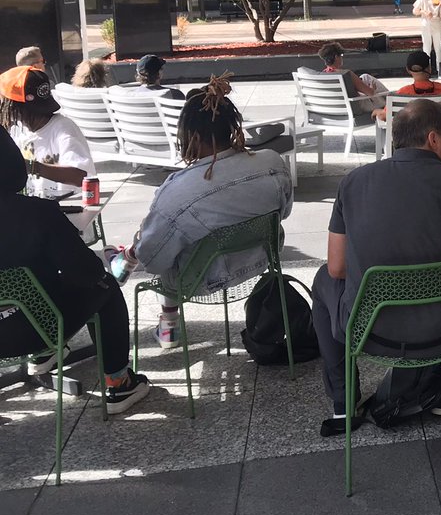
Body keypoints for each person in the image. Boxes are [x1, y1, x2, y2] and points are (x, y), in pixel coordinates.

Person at [311, 99, 441, 434]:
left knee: (322, 280)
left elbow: (338, 268)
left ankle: (345, 402)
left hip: (368, 330)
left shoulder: (354, 182)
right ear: (432, 139)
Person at [117, 76, 293, 349]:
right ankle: (126, 257)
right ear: (232, 128)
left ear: (193, 136)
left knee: (162, 245)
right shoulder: (272, 162)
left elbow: (152, 261)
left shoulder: (177, 192)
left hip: (200, 280)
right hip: (263, 261)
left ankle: (166, 319)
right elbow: (285, 212)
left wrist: (140, 247)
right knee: (171, 237)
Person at [0, 126, 151, 413]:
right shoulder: (36, 213)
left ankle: (43, 355)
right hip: (37, 328)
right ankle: (119, 383)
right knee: (105, 285)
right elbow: (87, 273)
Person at [0, 65, 96, 198]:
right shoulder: (17, 130)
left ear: (14, 106)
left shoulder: (63, 128)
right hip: (32, 206)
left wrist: (31, 167)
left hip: (65, 206)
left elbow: (81, 177)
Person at [318, 42, 387, 109]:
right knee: (373, 85)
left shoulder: (321, 75)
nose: (342, 58)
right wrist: (373, 88)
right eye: (341, 55)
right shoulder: (346, 74)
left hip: (335, 107)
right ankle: (393, 100)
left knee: (365, 77)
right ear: (336, 57)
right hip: (357, 106)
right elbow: (370, 92)